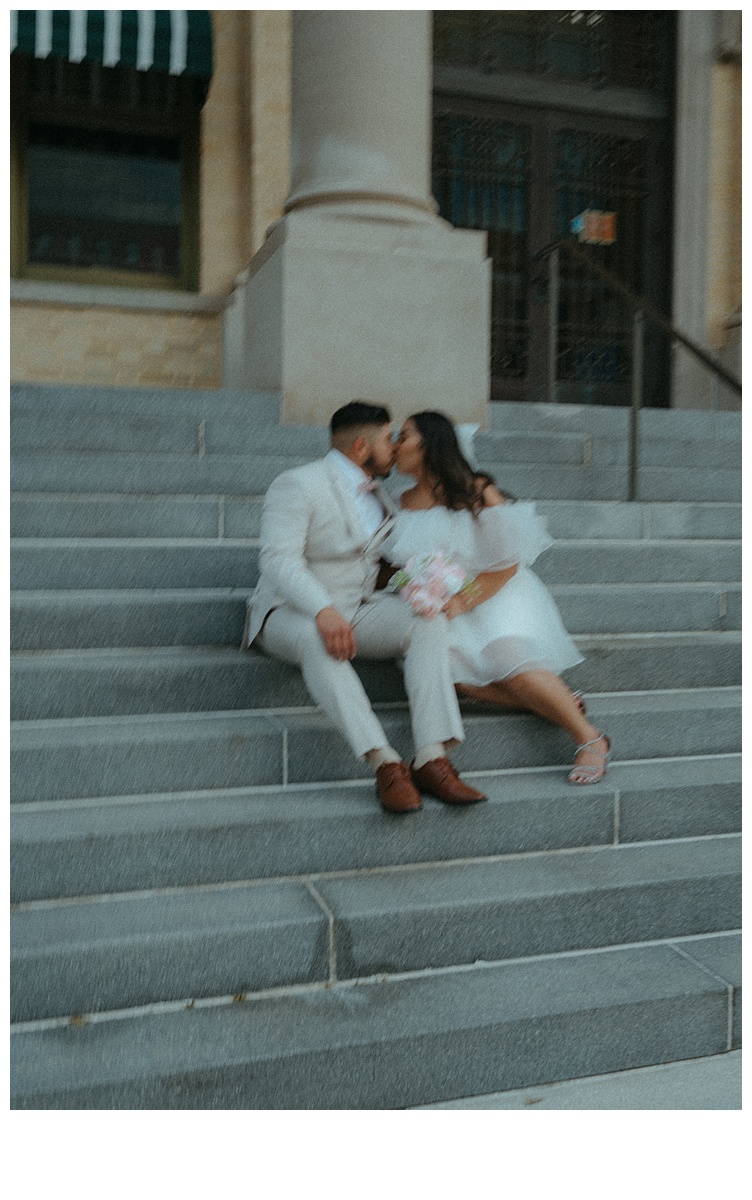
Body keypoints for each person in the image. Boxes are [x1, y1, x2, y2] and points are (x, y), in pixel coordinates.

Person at [242, 401, 487, 813]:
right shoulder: (299, 483)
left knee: (425, 622)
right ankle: (385, 763)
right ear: (360, 447)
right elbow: (277, 560)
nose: (395, 447)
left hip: (357, 608)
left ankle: (431, 757)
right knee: (316, 638)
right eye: (388, 439)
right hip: (288, 613)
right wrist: (322, 610)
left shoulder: (384, 500)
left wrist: (428, 586)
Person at [383, 411, 611, 784]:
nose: (394, 445)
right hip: (439, 608)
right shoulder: (396, 501)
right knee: (450, 674)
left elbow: (506, 565)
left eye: (403, 436)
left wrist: (462, 600)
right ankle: (555, 704)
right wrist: (421, 589)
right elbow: (397, 565)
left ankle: (590, 737)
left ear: (429, 445)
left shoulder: (476, 490)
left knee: (508, 661)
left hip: (494, 599)